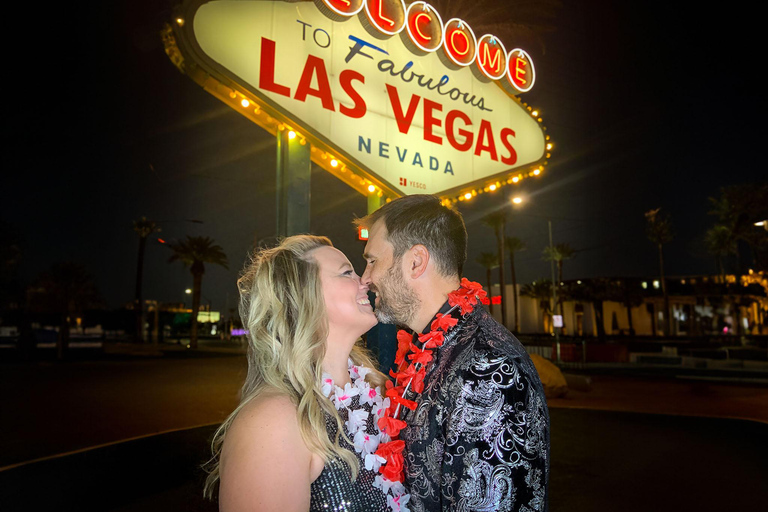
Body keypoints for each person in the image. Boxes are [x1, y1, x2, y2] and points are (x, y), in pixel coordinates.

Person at [356, 195, 550, 512]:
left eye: (373, 260)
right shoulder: (429, 348)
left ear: (416, 262)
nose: (366, 278)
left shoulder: (486, 365)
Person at [203, 235, 402, 512]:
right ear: (302, 294)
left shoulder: (379, 389)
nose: (366, 280)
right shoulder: (273, 421)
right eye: (347, 272)